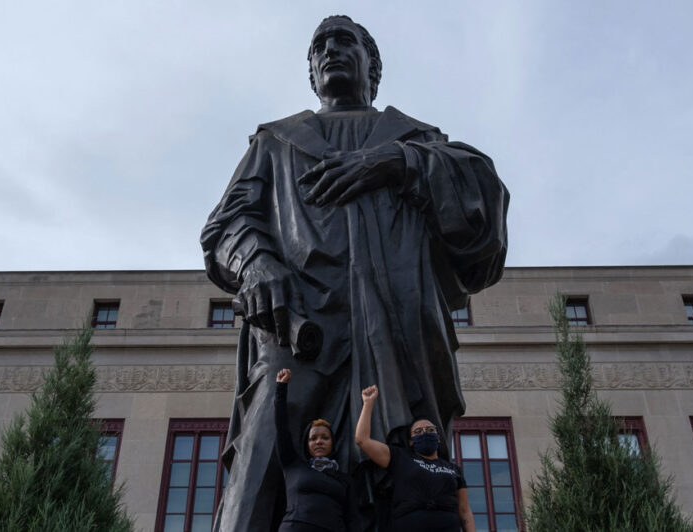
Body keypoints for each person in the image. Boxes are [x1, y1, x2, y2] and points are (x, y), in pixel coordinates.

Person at [201, 14, 508, 531]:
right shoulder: (277, 143)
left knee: (407, 467)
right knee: (265, 454)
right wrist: (256, 264)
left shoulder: (417, 138)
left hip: (397, 330)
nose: (329, 51)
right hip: (298, 324)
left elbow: (484, 210)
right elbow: (226, 225)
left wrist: (396, 161)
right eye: (319, 46)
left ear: (373, 63)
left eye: (344, 42)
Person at [355, 384, 475, 532]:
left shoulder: (453, 469)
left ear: (438, 437)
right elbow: (362, 440)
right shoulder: (400, 457)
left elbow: (464, 510)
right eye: (418, 431)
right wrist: (368, 403)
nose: (425, 433)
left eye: (430, 430)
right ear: (411, 441)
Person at [274, 368, 351, 531]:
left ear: (332, 443)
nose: (319, 442)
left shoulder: (342, 478)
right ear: (306, 444)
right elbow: (281, 428)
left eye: (325, 438)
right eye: (313, 438)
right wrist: (281, 388)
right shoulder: (293, 465)